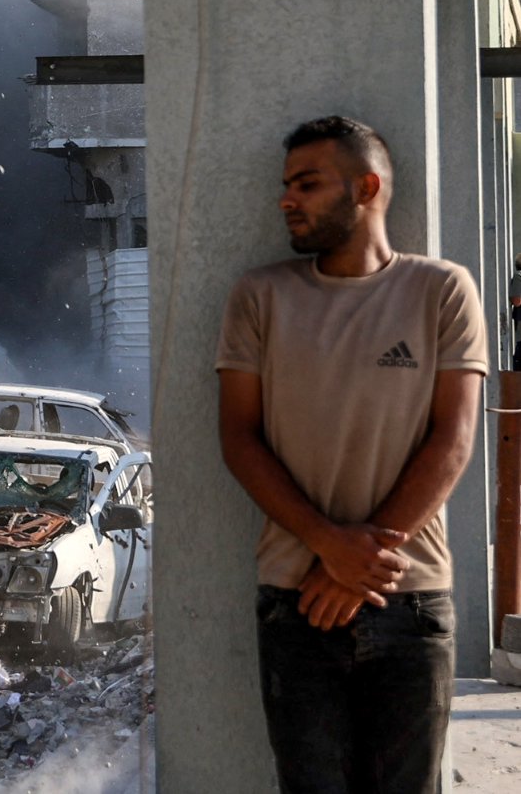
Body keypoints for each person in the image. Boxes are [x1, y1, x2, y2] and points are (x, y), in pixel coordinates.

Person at [216, 116, 488, 794]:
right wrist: (326, 545)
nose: (285, 199)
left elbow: (453, 438)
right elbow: (238, 437)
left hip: (410, 598)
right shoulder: (261, 295)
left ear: (365, 186)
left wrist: (354, 562)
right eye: (285, 185)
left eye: (306, 183)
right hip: (294, 603)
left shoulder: (442, 290)